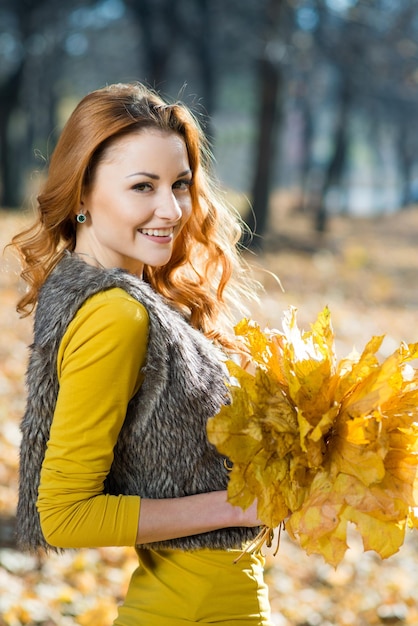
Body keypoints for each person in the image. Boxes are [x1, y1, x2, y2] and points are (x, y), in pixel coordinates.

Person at [11, 82, 273, 625]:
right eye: (142, 186)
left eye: (180, 184)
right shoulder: (117, 314)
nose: (172, 209)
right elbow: (63, 515)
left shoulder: (102, 291)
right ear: (83, 193)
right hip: (200, 609)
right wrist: (241, 503)